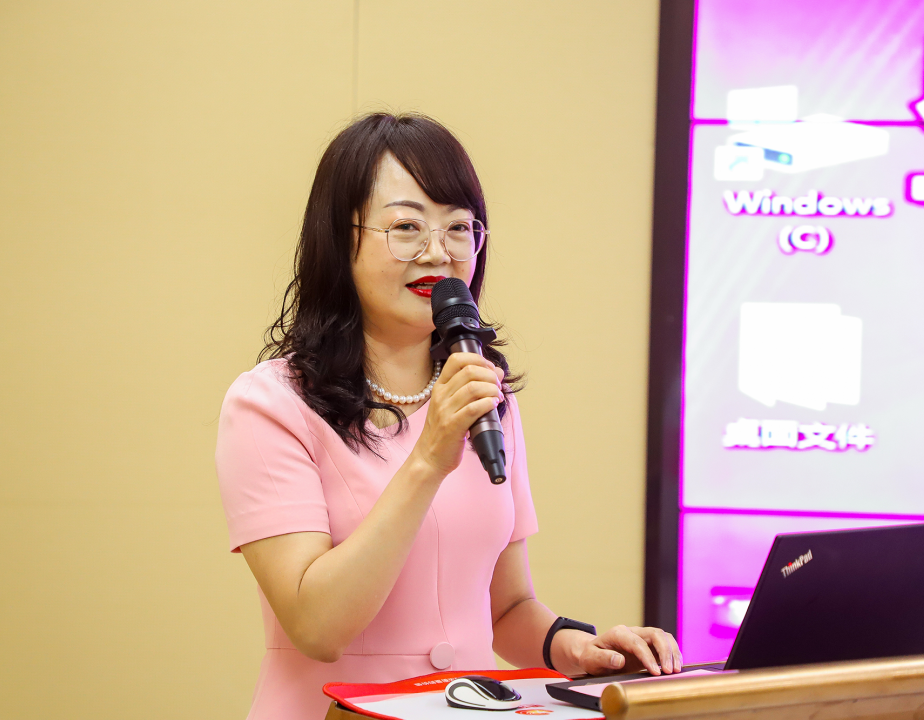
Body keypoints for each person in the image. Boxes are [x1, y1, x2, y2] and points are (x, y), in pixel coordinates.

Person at [216, 113, 682, 720]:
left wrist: (578, 647)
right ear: (339, 238)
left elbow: (505, 607)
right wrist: (428, 460)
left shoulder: (483, 391)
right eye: (406, 226)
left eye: (459, 227)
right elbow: (316, 626)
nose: (437, 252)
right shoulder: (271, 404)